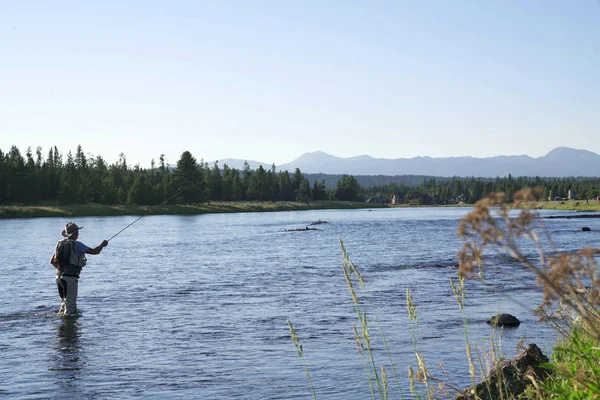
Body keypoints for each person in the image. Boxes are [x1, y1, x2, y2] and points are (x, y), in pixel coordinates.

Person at [50, 222, 109, 315]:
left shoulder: (59, 244)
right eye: (77, 232)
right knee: (70, 307)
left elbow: (52, 262)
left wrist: (62, 271)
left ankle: (62, 326)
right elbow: (95, 251)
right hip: (70, 278)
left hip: (58, 278)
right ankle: (69, 327)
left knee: (64, 304)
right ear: (75, 234)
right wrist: (102, 245)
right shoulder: (77, 245)